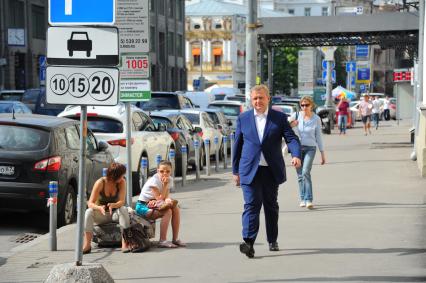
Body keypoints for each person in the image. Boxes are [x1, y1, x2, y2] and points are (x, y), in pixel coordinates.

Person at [232, 84, 301, 258]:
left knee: (270, 205)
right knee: (251, 205)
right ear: (251, 100)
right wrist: (235, 171)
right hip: (249, 169)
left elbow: (291, 138)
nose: (258, 101)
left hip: (271, 170)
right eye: (255, 98)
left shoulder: (279, 118)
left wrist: (296, 154)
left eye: (261, 98)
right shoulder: (243, 118)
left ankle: (272, 239)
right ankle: (248, 242)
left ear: (268, 98)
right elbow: (237, 146)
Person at [135, 160, 185, 248]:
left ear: (171, 171)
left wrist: (168, 200)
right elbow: (159, 198)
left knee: (175, 208)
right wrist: (165, 185)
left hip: (155, 204)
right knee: (168, 212)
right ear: (157, 171)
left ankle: (175, 239)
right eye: (162, 171)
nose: (164, 174)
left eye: (168, 171)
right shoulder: (154, 180)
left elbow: (165, 197)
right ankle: (162, 240)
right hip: (143, 206)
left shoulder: (170, 179)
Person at [83, 162, 130, 254]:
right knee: (88, 212)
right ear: (114, 176)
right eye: (121, 176)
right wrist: (99, 208)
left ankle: (125, 244)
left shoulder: (122, 182)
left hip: (114, 214)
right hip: (101, 215)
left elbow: (121, 201)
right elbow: (90, 203)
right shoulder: (100, 182)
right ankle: (87, 245)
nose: (123, 178)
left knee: (123, 209)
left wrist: (114, 205)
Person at [291, 96, 326, 209]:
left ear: (311, 105)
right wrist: (292, 124)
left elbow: (319, 136)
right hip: (297, 149)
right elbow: (284, 126)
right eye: (302, 105)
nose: (304, 107)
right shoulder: (296, 116)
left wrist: (322, 153)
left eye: (307, 105)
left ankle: (309, 199)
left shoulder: (316, 119)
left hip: (311, 148)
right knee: (300, 175)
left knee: (306, 171)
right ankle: (302, 198)